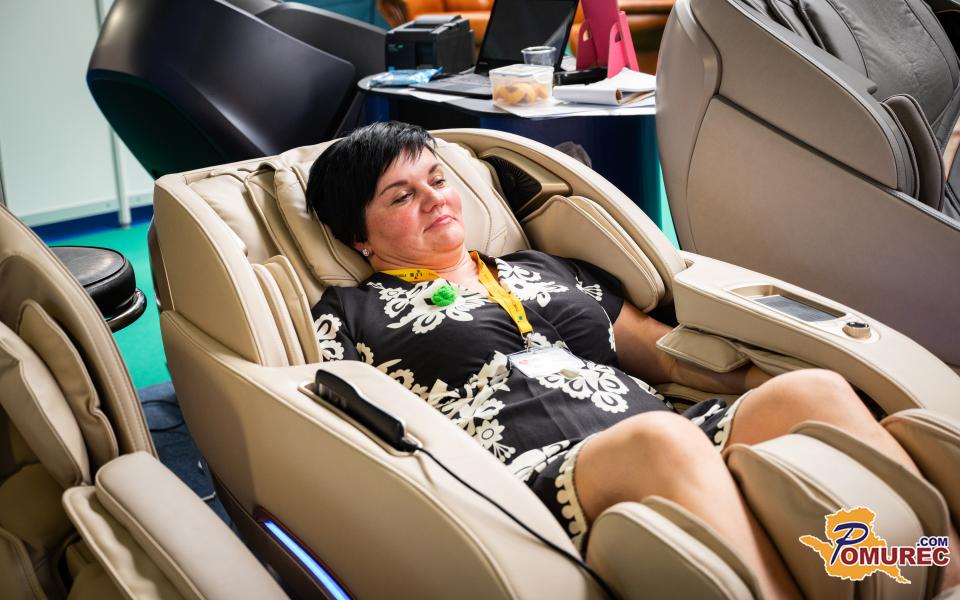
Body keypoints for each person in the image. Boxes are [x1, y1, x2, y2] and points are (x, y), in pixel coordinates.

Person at [306, 121, 958, 597]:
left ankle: (940, 567)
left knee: (815, 391)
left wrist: (767, 383)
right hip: (526, 474)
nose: (435, 199)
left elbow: (665, 357)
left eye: (437, 179)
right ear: (360, 236)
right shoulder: (351, 312)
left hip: (665, 428)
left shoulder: (542, 267)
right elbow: (347, 430)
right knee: (660, 440)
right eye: (401, 196)